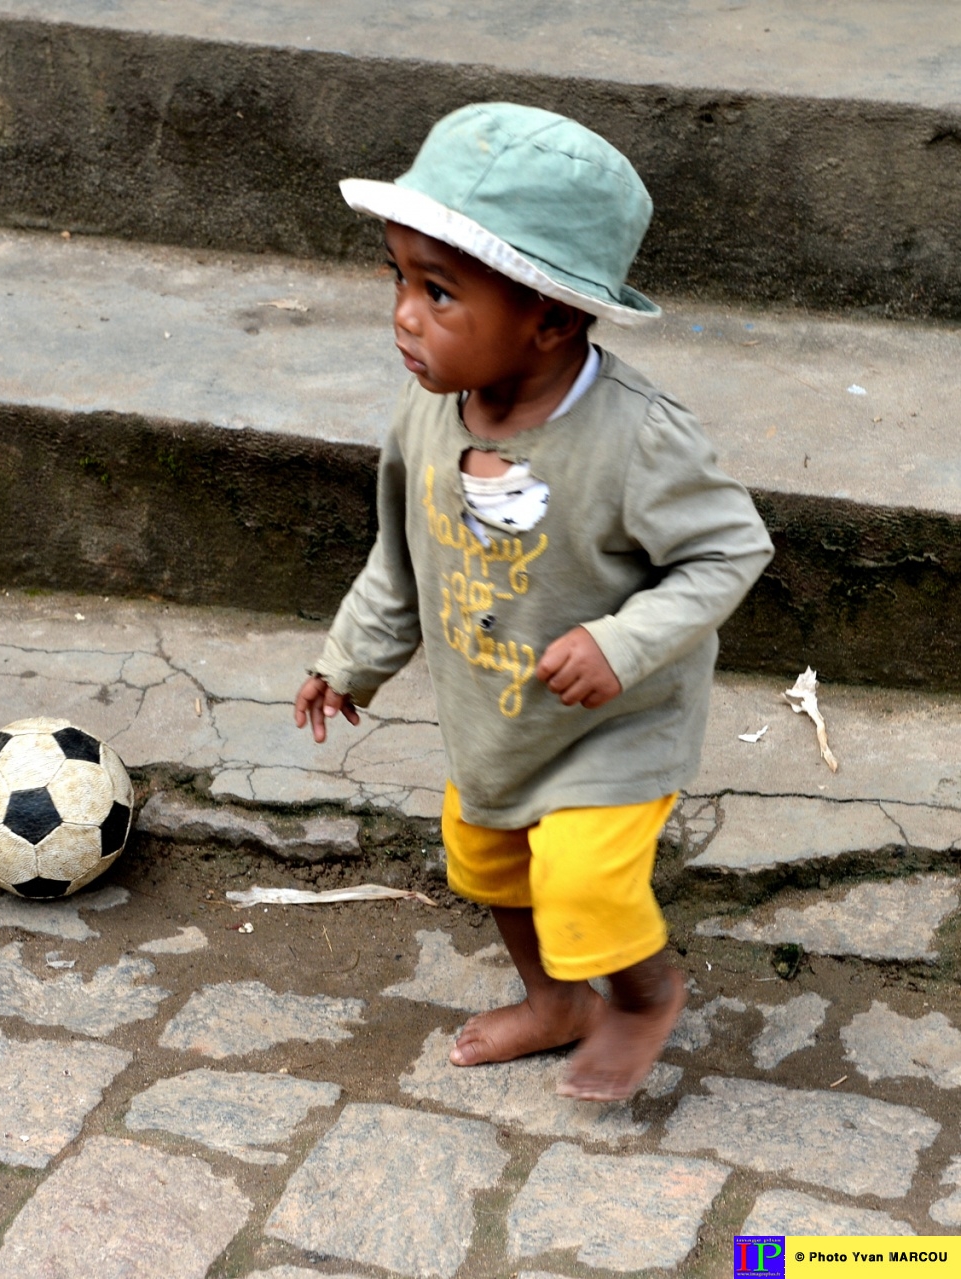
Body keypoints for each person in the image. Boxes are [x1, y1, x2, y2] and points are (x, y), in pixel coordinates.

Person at [292, 103, 773, 1101]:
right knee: (489, 862)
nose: (403, 315)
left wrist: (622, 640)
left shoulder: (635, 437)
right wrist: (348, 659)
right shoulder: (425, 414)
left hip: (613, 722)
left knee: (583, 878)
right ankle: (555, 998)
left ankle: (640, 995)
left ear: (548, 319)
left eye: (438, 292)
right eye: (398, 279)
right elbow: (404, 553)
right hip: (495, 716)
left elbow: (729, 548)